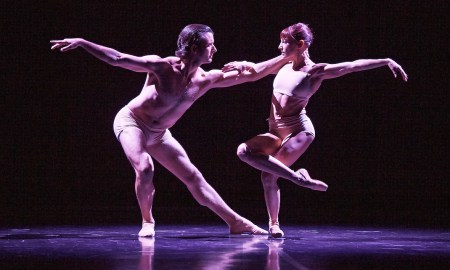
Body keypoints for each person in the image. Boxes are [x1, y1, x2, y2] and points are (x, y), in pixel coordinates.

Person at [50, 24, 295, 237]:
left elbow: (254, 75)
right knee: (145, 167)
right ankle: (147, 221)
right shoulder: (162, 67)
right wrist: (82, 43)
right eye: (211, 45)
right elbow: (117, 58)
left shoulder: (205, 79)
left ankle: (236, 223)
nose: (215, 50)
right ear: (194, 48)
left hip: (159, 134)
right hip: (132, 122)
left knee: (193, 177)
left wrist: (287, 57)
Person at [224, 22, 408, 238]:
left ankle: (274, 224)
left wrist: (385, 61)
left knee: (268, 176)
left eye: (285, 42)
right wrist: (242, 64)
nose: (279, 46)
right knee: (243, 151)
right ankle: (298, 178)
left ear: (301, 44)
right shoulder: (283, 63)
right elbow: (257, 69)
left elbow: (352, 66)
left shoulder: (314, 72)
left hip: (299, 131)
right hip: (274, 131)